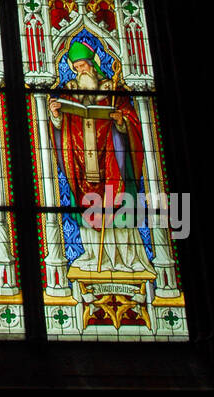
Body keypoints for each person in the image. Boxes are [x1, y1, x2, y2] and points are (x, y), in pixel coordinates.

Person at [48, 39, 150, 274]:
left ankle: (126, 257)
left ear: (93, 65)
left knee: (119, 205)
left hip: (113, 160)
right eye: (76, 67)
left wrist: (121, 122)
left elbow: (133, 123)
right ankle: (94, 256)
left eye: (83, 65)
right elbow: (60, 130)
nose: (80, 70)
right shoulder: (70, 94)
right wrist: (55, 116)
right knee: (88, 207)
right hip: (82, 163)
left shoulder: (113, 93)